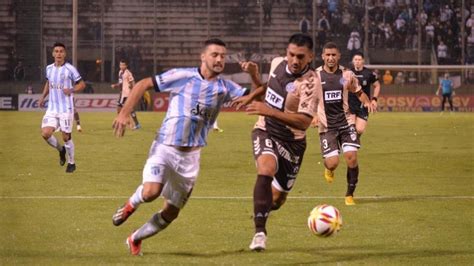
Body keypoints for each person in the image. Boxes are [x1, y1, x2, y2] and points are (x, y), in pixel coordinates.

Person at [111, 38, 259, 256]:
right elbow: (143, 84)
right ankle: (130, 205)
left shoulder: (225, 87)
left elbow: (258, 94)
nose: (219, 59)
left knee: (170, 214)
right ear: (203, 56)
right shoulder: (183, 76)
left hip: (190, 158)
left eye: (223, 56)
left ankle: (135, 238)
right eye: (214, 54)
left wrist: (254, 75)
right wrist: (124, 114)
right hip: (165, 146)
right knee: (152, 191)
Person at [233, 33, 320, 251]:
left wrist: (268, 110)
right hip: (265, 129)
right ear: (286, 53)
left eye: (301, 56)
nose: (294, 60)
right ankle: (260, 233)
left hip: (293, 142)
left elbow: (303, 122)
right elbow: (268, 89)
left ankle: (261, 206)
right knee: (266, 168)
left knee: (277, 200)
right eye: (291, 54)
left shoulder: (310, 83)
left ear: (310, 57)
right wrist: (253, 87)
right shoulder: (277, 64)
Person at [313, 42, 373, 206]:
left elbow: (359, 92)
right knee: (333, 162)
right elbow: (309, 98)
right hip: (327, 126)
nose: (331, 58)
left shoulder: (347, 74)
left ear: (339, 56)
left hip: (346, 122)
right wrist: (312, 116)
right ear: (323, 56)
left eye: (334, 55)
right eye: (328, 55)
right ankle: (328, 168)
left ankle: (349, 195)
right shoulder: (315, 76)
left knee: (351, 158)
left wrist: (367, 102)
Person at [38, 42, 85, 173]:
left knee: (66, 137)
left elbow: (82, 84)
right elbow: (49, 83)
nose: (59, 53)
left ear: (65, 54)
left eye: (61, 51)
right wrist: (42, 97)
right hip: (52, 108)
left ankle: (71, 163)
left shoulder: (70, 69)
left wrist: (71, 89)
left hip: (66, 109)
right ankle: (61, 149)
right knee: (45, 133)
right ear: (53, 53)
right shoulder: (49, 68)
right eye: (56, 51)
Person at [349, 52, 380, 136]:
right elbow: (341, 85)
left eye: (359, 60)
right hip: (350, 104)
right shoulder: (348, 72)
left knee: (359, 130)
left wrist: (374, 99)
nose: (357, 61)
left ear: (363, 61)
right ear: (353, 61)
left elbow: (377, 86)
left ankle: (353, 142)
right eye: (355, 59)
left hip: (363, 105)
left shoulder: (369, 73)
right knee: (350, 129)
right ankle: (351, 145)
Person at [111, 59, 141, 129]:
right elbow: (121, 83)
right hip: (122, 94)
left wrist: (132, 88)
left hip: (127, 94)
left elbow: (133, 82)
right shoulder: (120, 72)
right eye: (120, 65)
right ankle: (136, 124)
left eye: (123, 65)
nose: (121, 66)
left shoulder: (128, 73)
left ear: (126, 66)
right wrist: (115, 86)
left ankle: (121, 123)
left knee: (122, 109)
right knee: (127, 109)